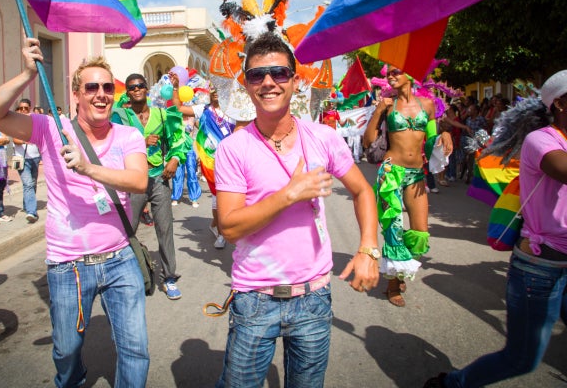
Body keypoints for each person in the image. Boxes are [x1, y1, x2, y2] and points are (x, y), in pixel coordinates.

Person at [0, 37, 149, 388]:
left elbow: (138, 181)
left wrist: (89, 168)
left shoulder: (129, 134)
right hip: (68, 263)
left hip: (119, 258)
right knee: (66, 351)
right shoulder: (50, 129)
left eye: (107, 87)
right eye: (92, 87)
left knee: (135, 349)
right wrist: (27, 73)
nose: (101, 93)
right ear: (77, 94)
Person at [214, 33, 380, 387]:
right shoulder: (232, 149)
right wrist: (288, 194)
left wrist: (368, 248)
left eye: (279, 73)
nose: (269, 82)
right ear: (246, 86)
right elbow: (229, 227)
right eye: (258, 75)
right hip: (254, 300)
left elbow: (363, 190)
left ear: (295, 80)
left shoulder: (324, 138)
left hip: (313, 299)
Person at [424, 70, 567, 388]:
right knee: (521, 359)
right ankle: (454, 384)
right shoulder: (541, 140)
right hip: (541, 269)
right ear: (559, 103)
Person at [363, 65, 452, 307]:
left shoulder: (428, 105)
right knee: (393, 232)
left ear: (411, 74)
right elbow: (368, 141)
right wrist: (379, 110)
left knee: (420, 233)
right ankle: (393, 284)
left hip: (416, 175)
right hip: (391, 173)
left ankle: (400, 269)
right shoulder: (388, 105)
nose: (390, 76)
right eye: (388, 73)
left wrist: (443, 135)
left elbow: (431, 138)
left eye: (396, 71)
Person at [111, 74, 188, 300]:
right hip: (132, 181)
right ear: (127, 91)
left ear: (146, 89)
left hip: (158, 179)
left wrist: (174, 159)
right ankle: (128, 273)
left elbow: (178, 140)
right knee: (128, 230)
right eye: (131, 87)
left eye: (140, 86)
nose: (136, 90)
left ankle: (169, 277)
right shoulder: (120, 117)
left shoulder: (162, 114)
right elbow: (111, 147)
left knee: (165, 229)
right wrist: (140, 144)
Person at [171, 81, 237, 249]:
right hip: (210, 162)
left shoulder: (234, 110)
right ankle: (222, 234)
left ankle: (216, 224)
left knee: (232, 197)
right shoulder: (203, 109)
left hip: (231, 161)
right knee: (217, 198)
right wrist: (176, 88)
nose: (216, 92)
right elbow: (178, 108)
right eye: (213, 88)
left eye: (220, 88)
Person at [12, 98, 41, 223]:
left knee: (32, 183)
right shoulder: (15, 122)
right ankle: (31, 212)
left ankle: (27, 205)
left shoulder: (34, 122)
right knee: (28, 184)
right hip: (22, 159)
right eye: (21, 108)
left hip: (35, 157)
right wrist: (25, 140)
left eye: (26, 108)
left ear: (30, 108)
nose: (23, 110)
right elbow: (15, 139)